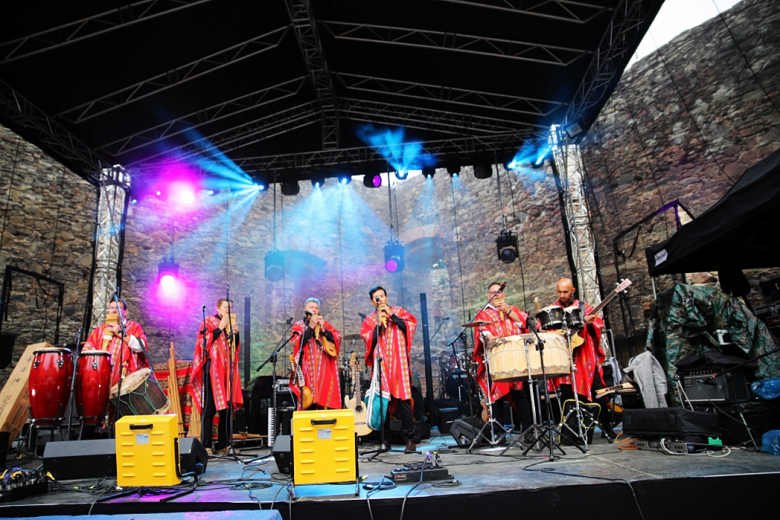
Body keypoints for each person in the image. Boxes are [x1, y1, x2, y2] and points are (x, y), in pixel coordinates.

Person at [547, 278, 612, 437]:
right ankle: (570, 432)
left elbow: (598, 326)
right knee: (567, 395)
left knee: (599, 393)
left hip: (585, 358)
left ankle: (607, 428)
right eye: (559, 292)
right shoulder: (552, 309)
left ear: (573, 290)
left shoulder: (584, 307)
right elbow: (544, 329)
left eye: (565, 292)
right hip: (566, 359)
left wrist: (589, 324)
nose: (562, 295)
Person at [360, 286, 418, 453]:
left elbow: (410, 327)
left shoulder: (399, 311)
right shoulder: (369, 321)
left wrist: (391, 316)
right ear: (372, 301)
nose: (380, 300)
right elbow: (368, 341)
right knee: (382, 401)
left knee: (404, 401)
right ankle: (385, 440)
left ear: (386, 297)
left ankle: (410, 440)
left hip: (399, 363)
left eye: (382, 296)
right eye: (376, 298)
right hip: (382, 365)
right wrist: (378, 324)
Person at [472, 282, 533, 434]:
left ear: (503, 295)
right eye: (492, 293)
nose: (496, 295)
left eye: (499, 292)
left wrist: (508, 311)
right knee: (496, 396)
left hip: (515, 359)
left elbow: (524, 323)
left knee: (520, 395)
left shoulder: (512, 310)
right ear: (488, 296)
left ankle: (528, 431)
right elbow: (483, 333)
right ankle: (499, 434)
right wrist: (493, 339)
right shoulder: (483, 315)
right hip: (495, 360)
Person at [192, 298, 244, 455]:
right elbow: (203, 343)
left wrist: (236, 334)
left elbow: (234, 349)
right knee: (209, 408)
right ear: (218, 308)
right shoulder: (209, 321)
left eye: (231, 307)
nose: (229, 310)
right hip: (212, 370)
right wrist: (220, 327)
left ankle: (223, 444)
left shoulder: (231, 324)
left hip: (226, 370)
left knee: (226, 409)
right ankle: (206, 445)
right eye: (226, 307)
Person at [83, 298, 149, 389]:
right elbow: (87, 349)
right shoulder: (100, 329)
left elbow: (141, 346)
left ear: (125, 312)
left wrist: (119, 333)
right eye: (111, 308)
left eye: (117, 308)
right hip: (101, 378)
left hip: (126, 380)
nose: (113, 311)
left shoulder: (134, 327)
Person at [290, 298, 343, 410]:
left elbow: (337, 338)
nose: (314, 310)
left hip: (324, 368)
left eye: (316, 308)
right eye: (311, 307)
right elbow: (296, 343)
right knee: (307, 400)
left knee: (325, 397)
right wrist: (311, 327)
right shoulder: (298, 326)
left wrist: (324, 331)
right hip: (305, 369)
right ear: (305, 310)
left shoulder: (325, 324)